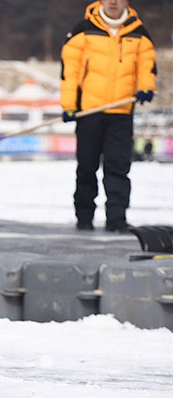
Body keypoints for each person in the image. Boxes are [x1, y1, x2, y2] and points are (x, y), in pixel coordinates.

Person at [61, 0, 156, 233]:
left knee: (118, 167)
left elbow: (147, 67)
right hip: (89, 112)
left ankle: (117, 218)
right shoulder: (82, 31)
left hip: (121, 113)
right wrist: (69, 105)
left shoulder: (139, 33)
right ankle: (84, 217)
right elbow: (69, 72)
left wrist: (146, 87)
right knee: (86, 166)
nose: (113, 1)